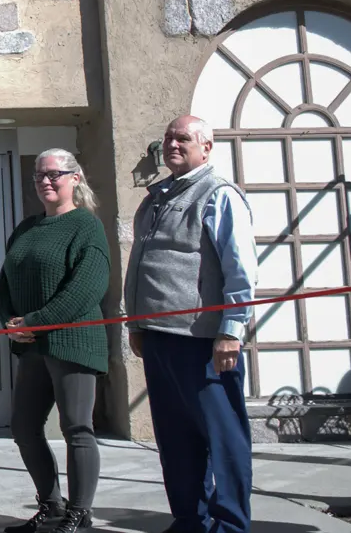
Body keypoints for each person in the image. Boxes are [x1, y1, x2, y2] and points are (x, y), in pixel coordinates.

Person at [124, 115, 257, 533]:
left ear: (207, 147)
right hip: (160, 338)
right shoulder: (156, 196)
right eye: (167, 137)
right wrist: (136, 324)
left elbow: (241, 270)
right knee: (176, 442)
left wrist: (231, 331)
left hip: (204, 342)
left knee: (223, 440)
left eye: (183, 138)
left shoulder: (219, 195)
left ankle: (231, 526)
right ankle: (189, 521)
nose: (172, 144)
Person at [0, 149, 110, 533]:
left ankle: (80, 512)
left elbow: (85, 290)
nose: (45, 181)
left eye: (55, 174)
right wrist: (11, 322)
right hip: (31, 345)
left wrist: (35, 321)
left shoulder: (86, 227)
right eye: (39, 175)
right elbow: (6, 282)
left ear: (75, 179)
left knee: (77, 428)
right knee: (24, 428)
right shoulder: (26, 228)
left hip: (73, 342)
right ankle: (52, 505)